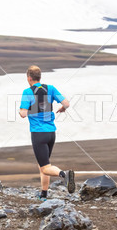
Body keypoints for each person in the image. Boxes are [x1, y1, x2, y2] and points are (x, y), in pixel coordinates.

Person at [19, 65, 75, 200]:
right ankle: (43, 194)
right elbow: (67, 103)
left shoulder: (27, 92)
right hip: (51, 133)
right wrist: (62, 108)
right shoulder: (51, 88)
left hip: (38, 134)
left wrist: (28, 110)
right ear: (39, 77)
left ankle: (64, 174)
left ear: (29, 78)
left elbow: (22, 114)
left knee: (45, 168)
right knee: (44, 165)